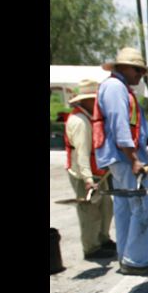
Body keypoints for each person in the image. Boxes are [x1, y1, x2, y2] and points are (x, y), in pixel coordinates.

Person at [93, 47, 148, 276]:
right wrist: (134, 158)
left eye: (142, 71)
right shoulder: (115, 88)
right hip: (125, 159)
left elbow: (130, 125)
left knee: (125, 209)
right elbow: (119, 125)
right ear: (121, 67)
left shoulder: (119, 88)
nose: (139, 75)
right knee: (144, 209)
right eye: (136, 69)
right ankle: (136, 261)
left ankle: (127, 255)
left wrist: (147, 141)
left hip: (121, 157)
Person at [63, 79, 116, 260]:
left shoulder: (91, 117)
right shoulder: (80, 122)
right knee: (89, 212)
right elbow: (82, 154)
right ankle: (91, 248)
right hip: (84, 174)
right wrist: (88, 180)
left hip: (98, 172)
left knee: (106, 207)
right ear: (87, 100)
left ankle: (103, 238)